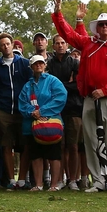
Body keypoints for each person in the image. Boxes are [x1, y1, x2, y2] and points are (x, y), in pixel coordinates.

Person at [51, 0, 107, 193]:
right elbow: (68, 34)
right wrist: (58, 14)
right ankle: (97, 180)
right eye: (101, 24)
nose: (104, 27)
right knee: (90, 139)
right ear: (97, 28)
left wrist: (105, 90)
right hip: (89, 97)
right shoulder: (88, 43)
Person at [0, 33, 33, 190]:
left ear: (13, 45)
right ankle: (11, 180)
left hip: (23, 111)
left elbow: (32, 83)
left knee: (25, 146)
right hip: (4, 110)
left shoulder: (25, 64)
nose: (6, 46)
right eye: (2, 44)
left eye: (8, 43)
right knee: (6, 146)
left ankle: (22, 179)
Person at [18, 55, 67, 192]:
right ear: (31, 67)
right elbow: (22, 104)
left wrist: (43, 111)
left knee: (54, 155)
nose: (38, 65)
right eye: (35, 63)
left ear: (45, 65)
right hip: (32, 126)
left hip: (52, 125)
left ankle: (54, 185)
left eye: (41, 63)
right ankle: (38, 184)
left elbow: (60, 97)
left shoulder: (53, 81)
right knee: (35, 155)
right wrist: (34, 112)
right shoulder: (27, 86)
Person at [47, 35, 82, 190]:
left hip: (74, 108)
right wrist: (67, 84)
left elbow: (79, 86)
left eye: (63, 43)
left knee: (73, 146)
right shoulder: (49, 64)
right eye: (57, 43)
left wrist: (60, 86)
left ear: (67, 45)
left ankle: (73, 179)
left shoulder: (75, 63)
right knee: (59, 146)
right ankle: (59, 179)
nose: (60, 45)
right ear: (53, 46)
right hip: (55, 111)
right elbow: (47, 86)